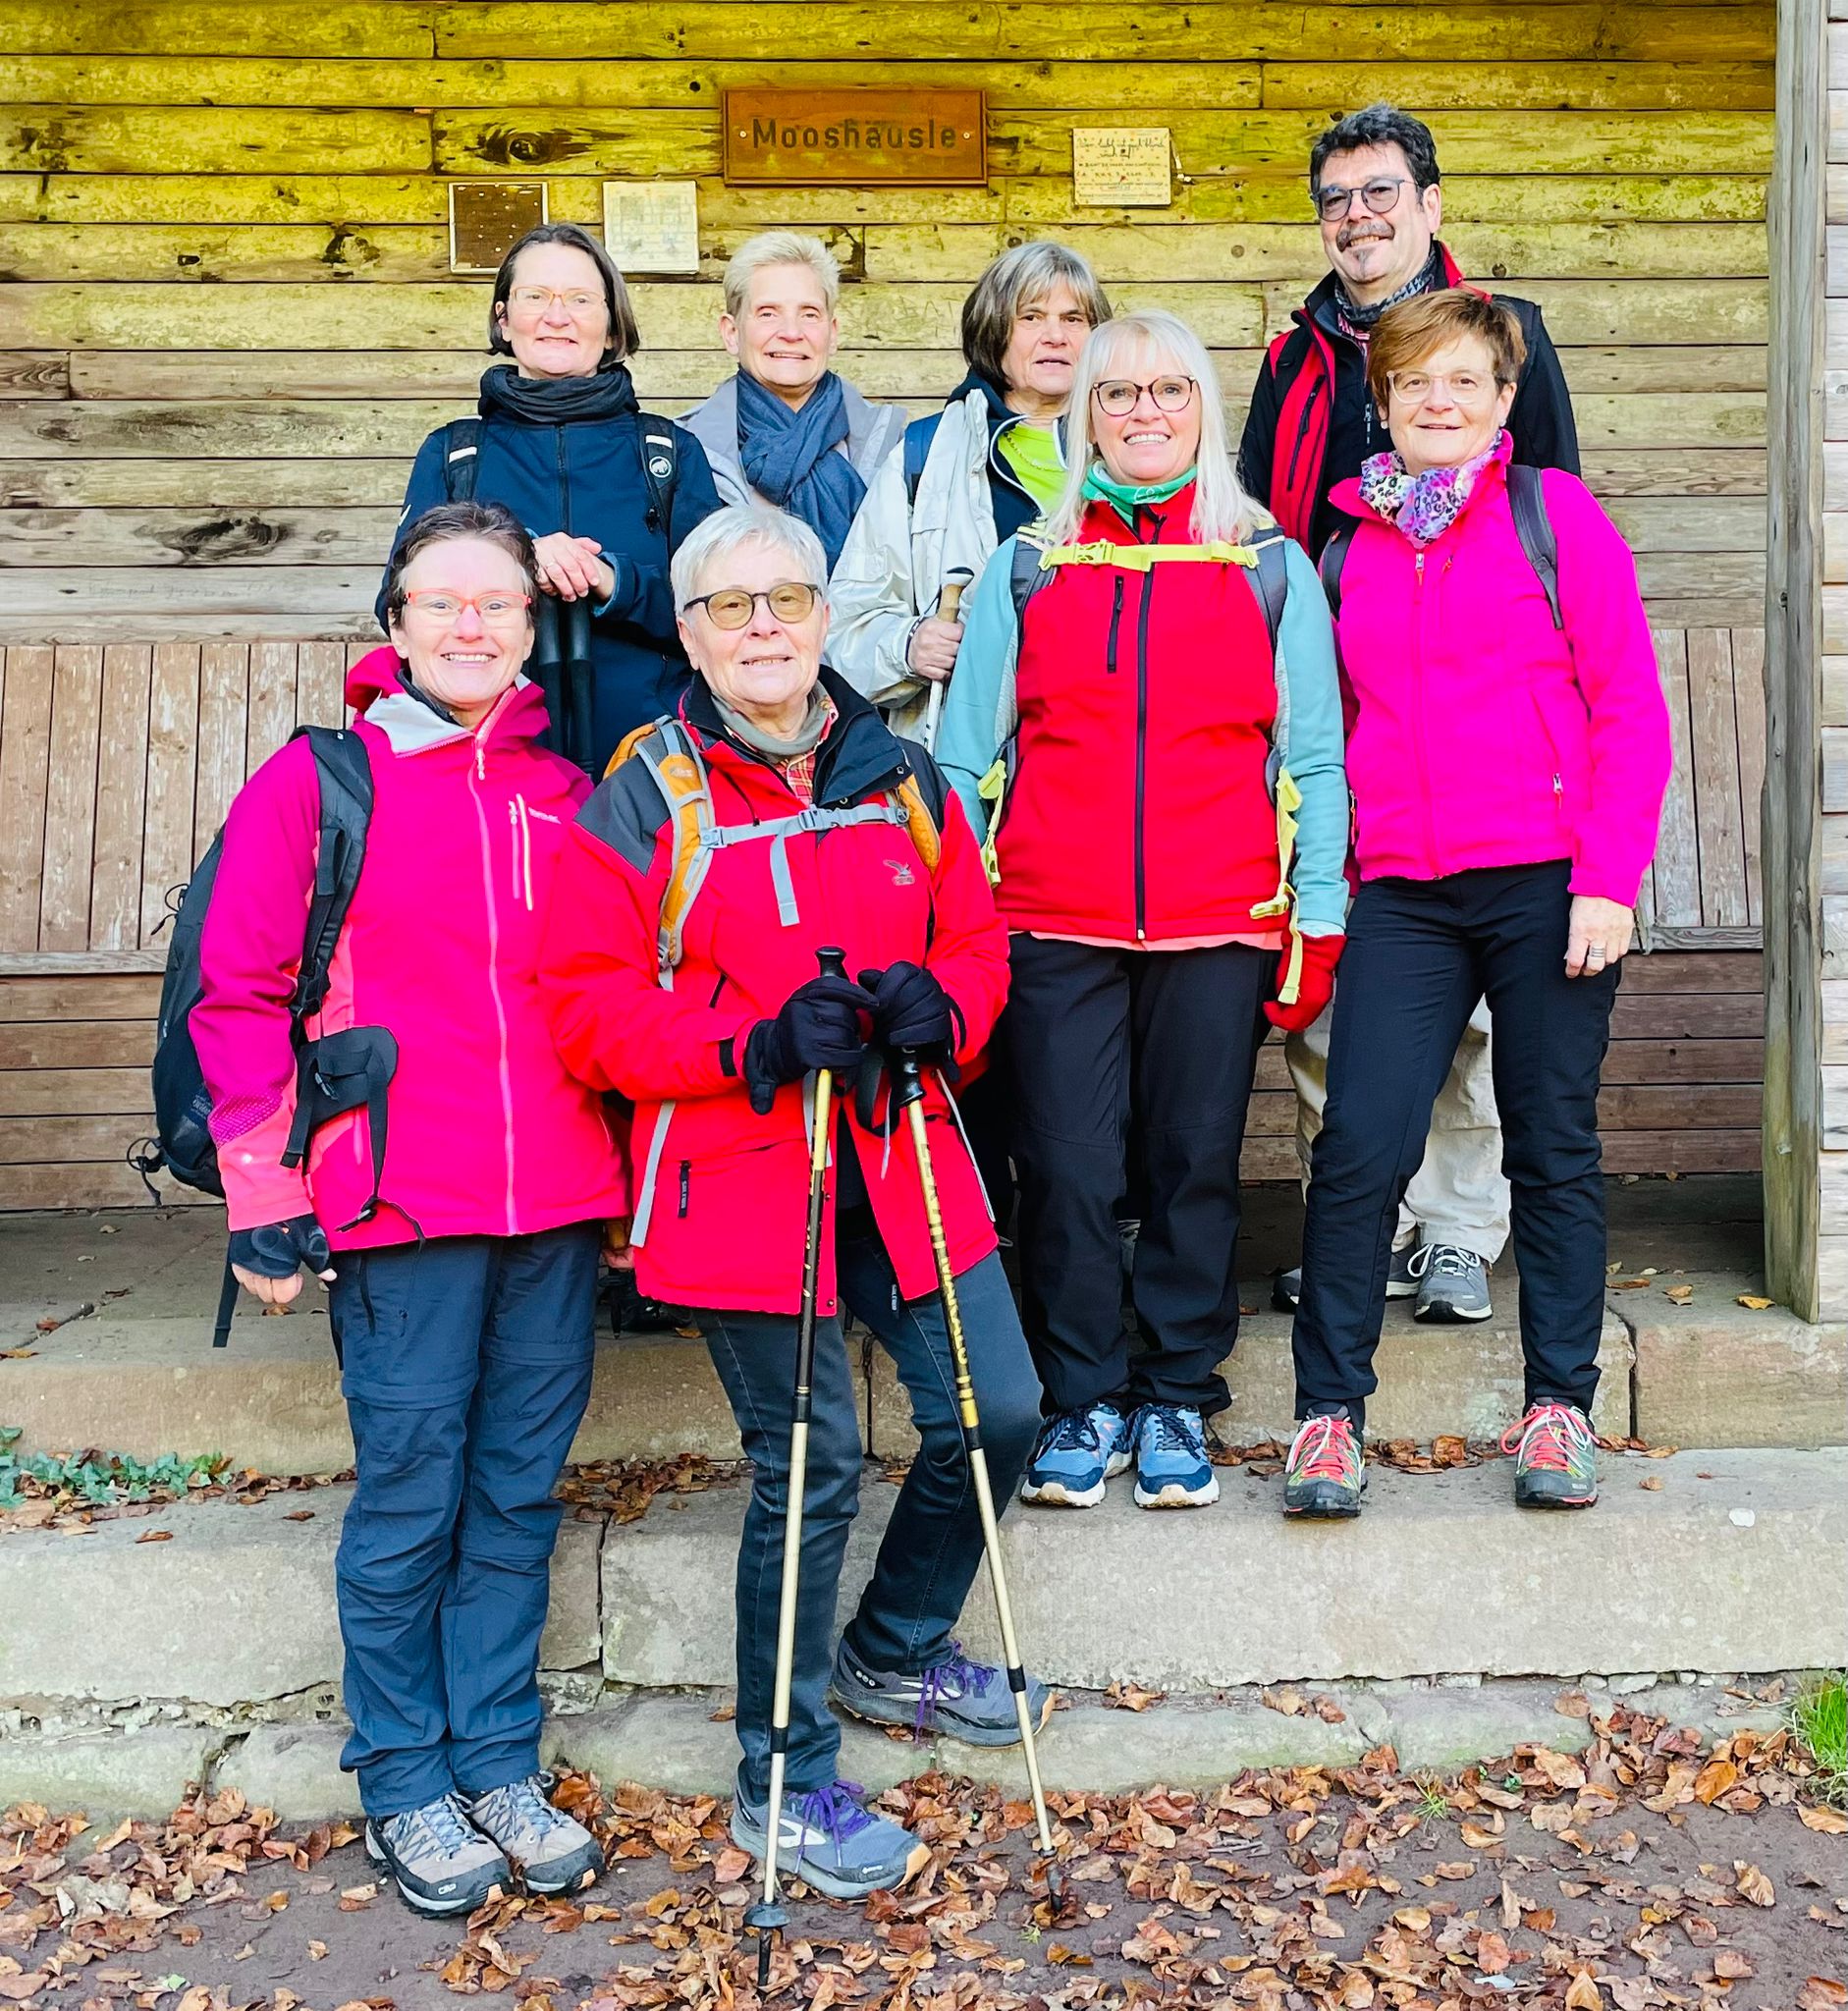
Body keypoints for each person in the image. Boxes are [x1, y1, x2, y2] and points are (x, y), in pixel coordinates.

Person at [540, 504, 1045, 1900]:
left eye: (786, 599)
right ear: (689, 633)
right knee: (811, 1459)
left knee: (998, 1408)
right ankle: (782, 1775)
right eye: (729, 605)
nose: (762, 626)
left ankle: (894, 1647)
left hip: (899, 1150)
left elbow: (976, 940)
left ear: (825, 616)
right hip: (740, 1170)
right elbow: (583, 1005)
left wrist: (945, 1008)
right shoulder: (646, 791)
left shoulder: (903, 775)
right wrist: (747, 1044)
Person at [192, 502, 627, 1916]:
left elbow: (612, 994)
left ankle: (495, 1760)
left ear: (530, 627)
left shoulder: (568, 792)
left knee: (515, 1495)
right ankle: (401, 1777)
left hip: (555, 1200)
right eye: (440, 600)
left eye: (496, 602)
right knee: (411, 1499)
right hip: (398, 1206)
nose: (469, 624)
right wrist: (264, 1190)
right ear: (395, 624)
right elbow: (238, 991)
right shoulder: (323, 782)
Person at [936, 310, 1349, 1514]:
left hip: (1218, 919)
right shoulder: (1030, 564)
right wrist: (958, 922)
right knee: (1063, 1168)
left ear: (1203, 408)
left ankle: (1173, 1391)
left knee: (1190, 1163)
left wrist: (1318, 915)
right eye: (1118, 393)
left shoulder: (1267, 564)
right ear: (1087, 414)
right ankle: (1082, 1395)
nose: (1144, 411)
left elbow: (1314, 760)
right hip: (1049, 922)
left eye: (1170, 389)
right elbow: (960, 762)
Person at [1281, 291, 1671, 1520]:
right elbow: (1333, 730)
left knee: (1549, 1143)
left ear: (1504, 400)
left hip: (1548, 882)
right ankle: (1327, 1416)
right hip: (1404, 888)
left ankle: (1558, 1404)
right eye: (1413, 383)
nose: (1437, 401)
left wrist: (1607, 879)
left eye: (1463, 380)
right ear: (1384, 404)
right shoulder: (1347, 547)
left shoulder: (1553, 515)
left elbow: (1630, 707)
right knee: (1360, 1145)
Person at [1240, 104, 1583, 1327]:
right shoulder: (1291, 359)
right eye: (1336, 198)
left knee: (1470, 1011)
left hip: (1479, 729)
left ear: (1429, 204)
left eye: (1380, 191)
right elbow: (1259, 527)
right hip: (1336, 707)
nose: (1358, 216)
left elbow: (1554, 517)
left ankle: (1456, 1230)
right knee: (1336, 980)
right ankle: (1360, 1223)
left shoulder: (1504, 331)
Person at [382, 222, 721, 776]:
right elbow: (396, 606)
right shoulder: (453, 455)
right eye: (535, 296)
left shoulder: (668, 452)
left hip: (653, 766)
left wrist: (612, 580)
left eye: (581, 299)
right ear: (503, 318)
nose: (556, 316)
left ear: (611, 326)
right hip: (483, 770)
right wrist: (517, 560)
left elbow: (719, 612)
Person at [829, 240, 1112, 742]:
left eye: (1074, 319)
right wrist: (907, 646)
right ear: (995, 331)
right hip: (968, 745)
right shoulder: (924, 455)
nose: (1055, 336)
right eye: (1031, 317)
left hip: (1101, 740)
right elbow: (845, 625)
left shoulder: (1130, 449)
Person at [680, 231, 904, 569]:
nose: (791, 332)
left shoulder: (895, 448)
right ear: (732, 333)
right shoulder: (686, 451)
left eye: (809, 314)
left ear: (832, 333)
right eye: (768, 313)